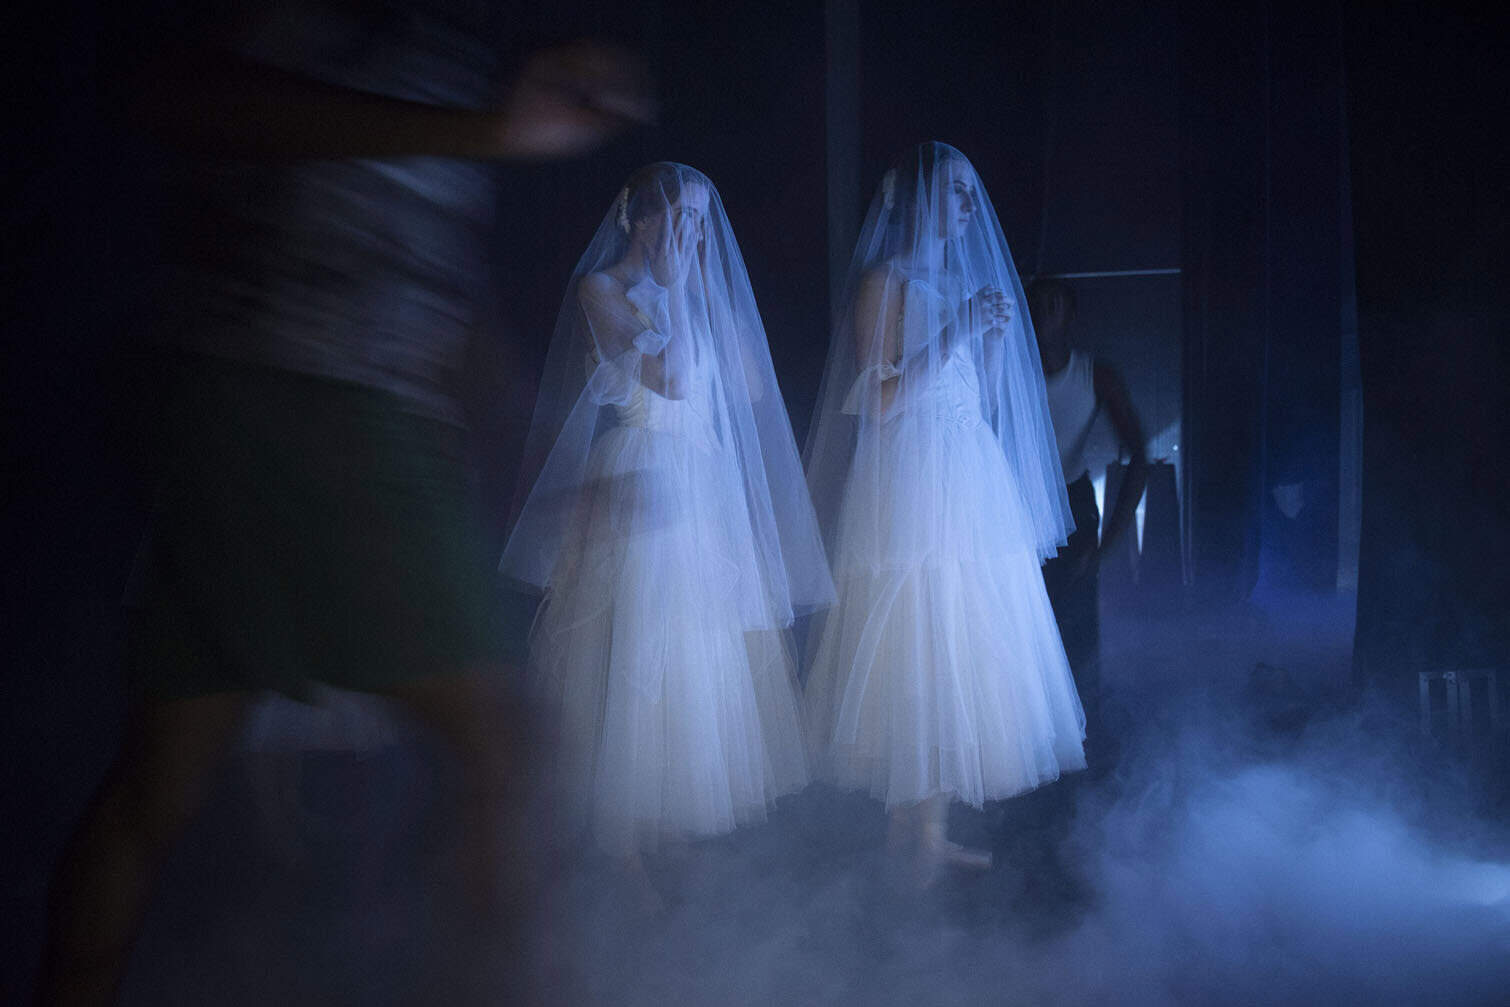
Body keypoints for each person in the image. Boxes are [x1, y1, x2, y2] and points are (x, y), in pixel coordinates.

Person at [37, 3, 653, 1003]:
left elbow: (440, 292)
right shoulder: (314, 31)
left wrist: (539, 452)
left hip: (299, 403)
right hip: (316, 395)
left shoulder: (440, 49)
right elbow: (179, 93)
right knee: (505, 746)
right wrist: (485, 130)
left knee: (159, 777)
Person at [499, 163, 833, 910]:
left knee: (696, 653)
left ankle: (669, 818)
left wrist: (704, 288)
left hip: (704, 488)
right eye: (685, 217)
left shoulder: (694, 289)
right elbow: (671, 380)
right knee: (639, 650)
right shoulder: (602, 291)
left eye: (704, 221)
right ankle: (620, 841)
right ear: (644, 219)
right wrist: (679, 290)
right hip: (643, 474)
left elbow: (747, 386)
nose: (696, 234)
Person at [801, 142, 1085, 885]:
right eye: (955, 191)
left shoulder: (959, 283)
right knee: (919, 631)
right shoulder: (884, 282)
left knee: (961, 633)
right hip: (910, 476)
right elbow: (880, 401)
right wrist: (959, 328)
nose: (967, 205)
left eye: (969, 193)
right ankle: (918, 833)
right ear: (921, 194)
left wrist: (988, 339)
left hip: (965, 472)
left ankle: (922, 830)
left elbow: (978, 399)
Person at [1027, 276, 1147, 774]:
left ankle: (1079, 758)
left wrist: (1110, 541)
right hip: (1016, 511)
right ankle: (1023, 752)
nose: (1045, 311)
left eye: (1055, 304)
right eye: (1037, 303)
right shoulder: (1007, 371)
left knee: (1075, 637)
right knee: (1020, 632)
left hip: (1072, 508)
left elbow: (1139, 454)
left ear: (1070, 315)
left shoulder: (1095, 375)